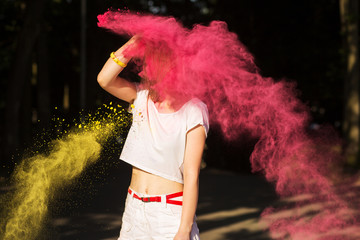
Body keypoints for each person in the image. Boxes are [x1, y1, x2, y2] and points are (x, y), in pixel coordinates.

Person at [97, 36, 209, 240]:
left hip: (169, 215)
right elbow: (104, 79)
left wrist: (184, 230)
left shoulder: (194, 110)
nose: (144, 68)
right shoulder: (141, 97)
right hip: (134, 209)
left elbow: (192, 175)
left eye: (152, 62)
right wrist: (135, 41)